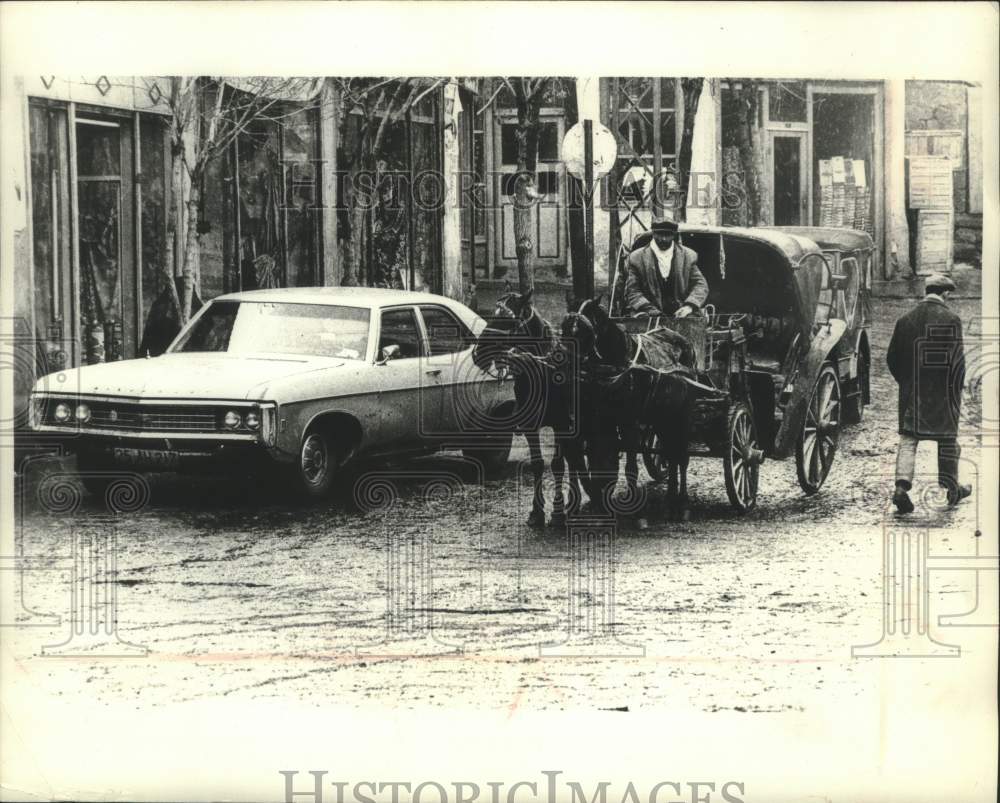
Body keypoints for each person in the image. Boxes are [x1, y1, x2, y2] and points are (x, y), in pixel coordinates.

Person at [886, 272, 971, 513]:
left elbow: (892, 358)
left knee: (908, 441)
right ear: (945, 294)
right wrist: (955, 392)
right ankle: (952, 489)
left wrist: (906, 382)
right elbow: (957, 364)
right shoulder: (951, 319)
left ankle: (901, 489)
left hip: (912, 392)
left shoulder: (904, 320)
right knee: (947, 440)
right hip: (942, 393)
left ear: (927, 291)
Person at [624, 217, 708, 318]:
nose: (663, 239)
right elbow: (632, 290)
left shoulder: (688, 256)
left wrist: (689, 306)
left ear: (674, 235)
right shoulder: (636, 258)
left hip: (681, 314)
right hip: (647, 313)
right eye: (659, 234)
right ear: (653, 233)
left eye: (668, 235)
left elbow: (700, 285)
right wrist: (648, 309)